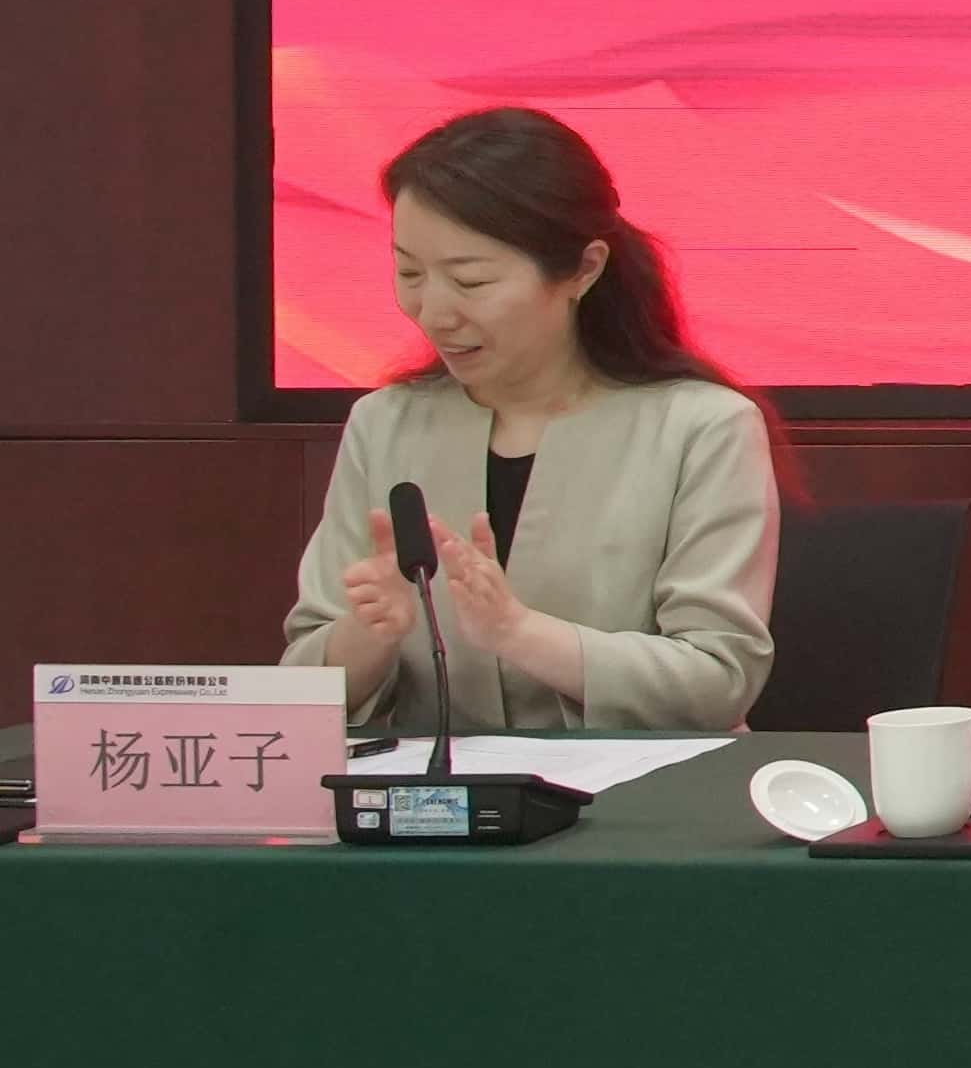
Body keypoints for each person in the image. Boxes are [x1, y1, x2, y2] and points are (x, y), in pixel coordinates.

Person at [285, 106, 779, 738]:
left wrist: (519, 633)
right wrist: (368, 633)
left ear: (584, 269)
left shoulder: (702, 428)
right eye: (409, 272)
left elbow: (718, 679)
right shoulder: (384, 424)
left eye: (471, 281)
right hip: (432, 791)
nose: (433, 312)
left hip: (638, 788)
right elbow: (300, 682)